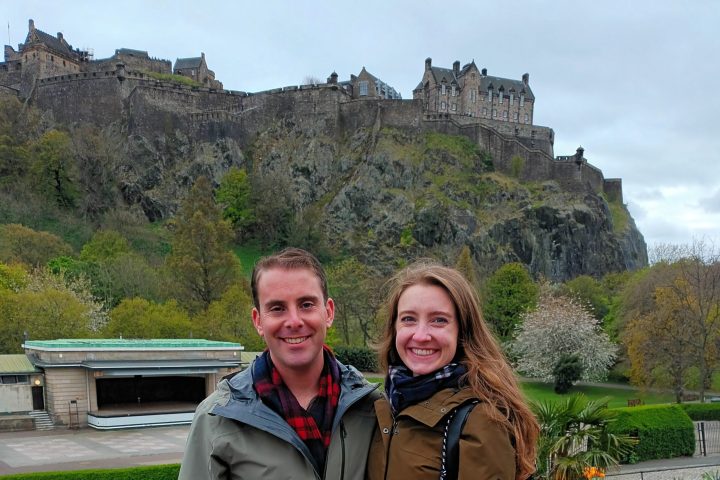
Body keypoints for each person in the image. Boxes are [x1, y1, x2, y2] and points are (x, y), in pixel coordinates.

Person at [179, 248, 380, 480]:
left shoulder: (370, 408)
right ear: (258, 321)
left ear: (329, 312)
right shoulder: (215, 418)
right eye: (277, 308)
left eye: (306, 304)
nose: (294, 321)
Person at [366, 261, 539, 480]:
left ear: (462, 332)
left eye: (439, 320)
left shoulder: (480, 420)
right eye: (408, 319)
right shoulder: (386, 404)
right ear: (394, 327)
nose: (420, 335)